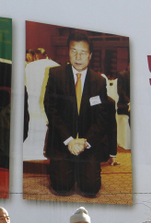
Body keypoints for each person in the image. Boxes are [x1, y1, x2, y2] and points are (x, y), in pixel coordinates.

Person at [43, 32, 117, 197]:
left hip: (87, 142)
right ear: (68, 52)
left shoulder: (99, 81)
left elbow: (101, 118)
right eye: (74, 51)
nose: (78, 56)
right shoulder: (56, 75)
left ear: (90, 55)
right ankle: (66, 167)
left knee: (91, 189)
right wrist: (69, 140)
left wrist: (85, 142)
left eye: (83, 52)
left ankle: (79, 167)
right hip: (63, 141)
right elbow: (51, 109)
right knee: (61, 187)